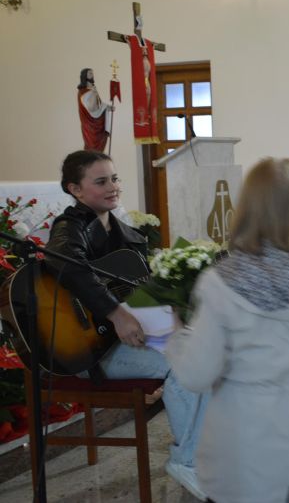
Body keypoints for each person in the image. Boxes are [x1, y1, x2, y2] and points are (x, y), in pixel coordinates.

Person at [166, 158, 289, 503]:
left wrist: (178, 335)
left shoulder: (222, 281)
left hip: (246, 439)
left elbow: (196, 374)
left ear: (248, 206)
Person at [46, 150, 208, 500]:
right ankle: (187, 461)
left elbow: (139, 296)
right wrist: (115, 314)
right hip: (89, 350)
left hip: (126, 341)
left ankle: (205, 451)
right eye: (101, 181)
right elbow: (66, 265)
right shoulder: (69, 228)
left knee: (206, 348)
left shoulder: (126, 234)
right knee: (184, 362)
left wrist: (172, 307)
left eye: (115, 178)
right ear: (75, 189)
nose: (113, 187)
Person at [77, 68, 113, 151]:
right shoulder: (83, 92)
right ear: (84, 76)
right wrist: (93, 92)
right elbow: (92, 109)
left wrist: (108, 107)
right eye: (90, 73)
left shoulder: (93, 89)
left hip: (98, 124)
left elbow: (98, 104)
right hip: (89, 125)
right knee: (91, 148)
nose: (92, 75)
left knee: (99, 151)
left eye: (92, 73)